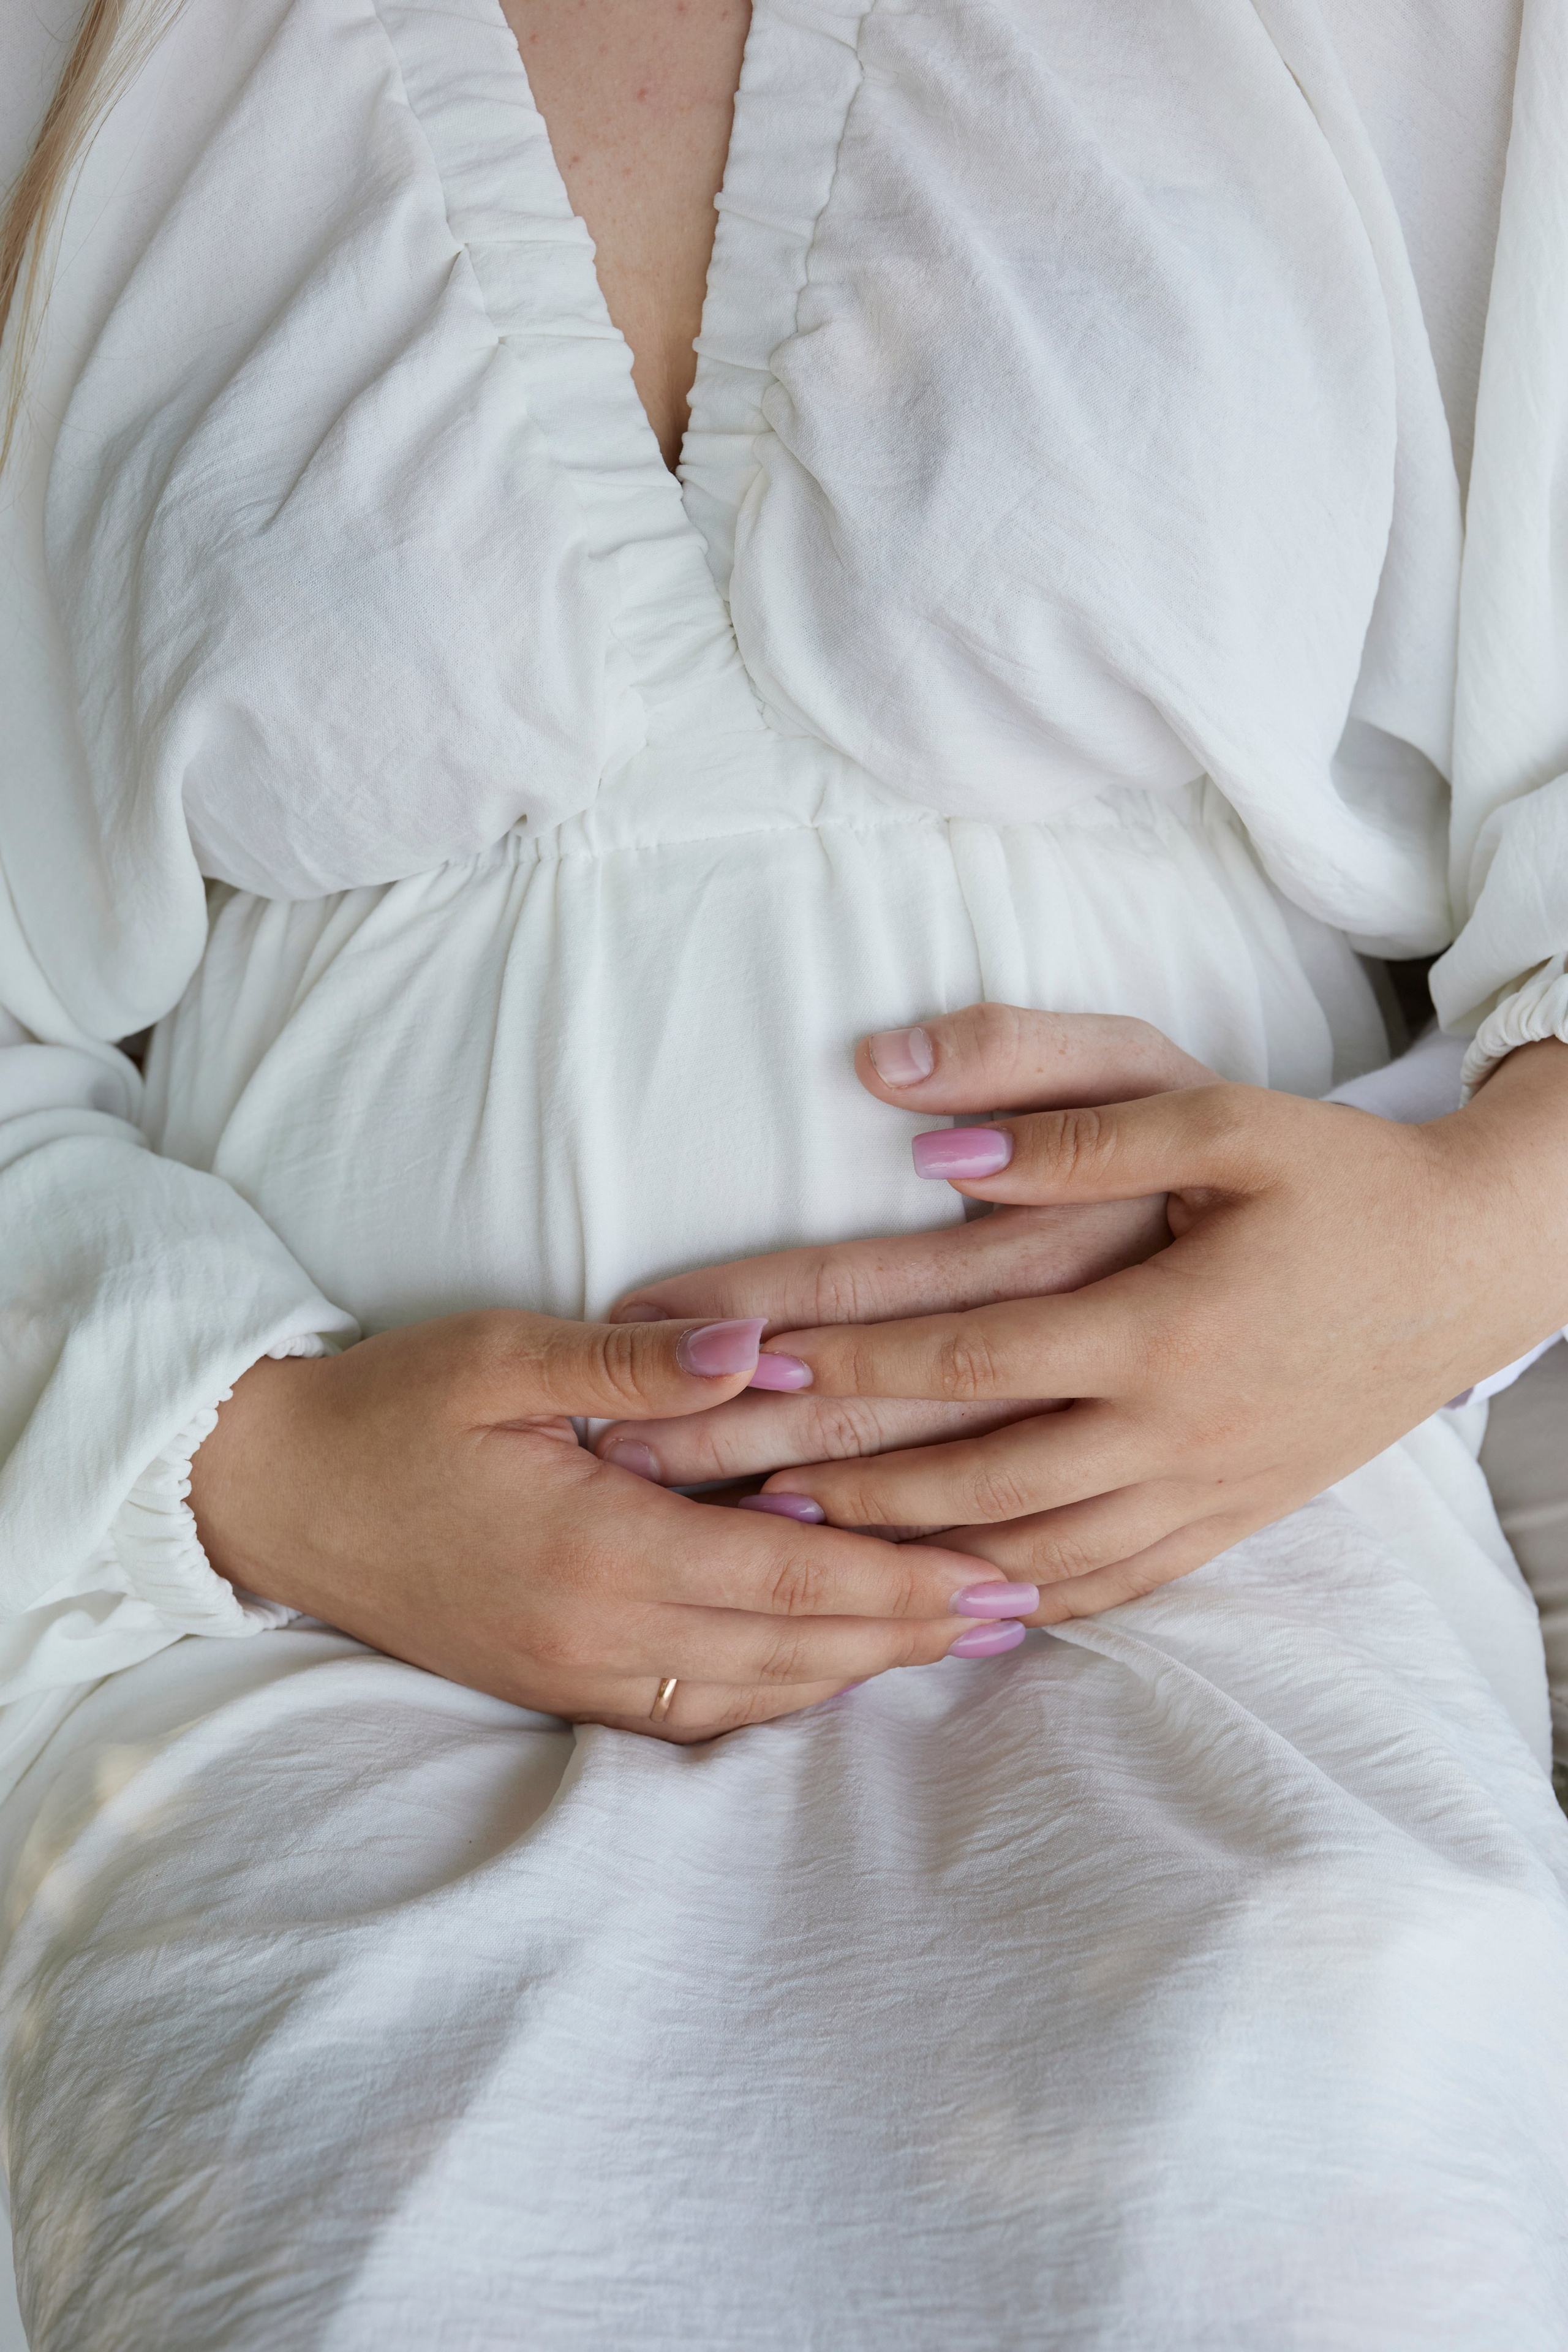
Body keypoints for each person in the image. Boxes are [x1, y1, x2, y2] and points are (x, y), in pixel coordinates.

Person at [1, 0, 1566, 2343]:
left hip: (1224, 1578)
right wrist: (257, 1462)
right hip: (304, 1650)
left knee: (1294, 2162)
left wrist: (1458, 1246)